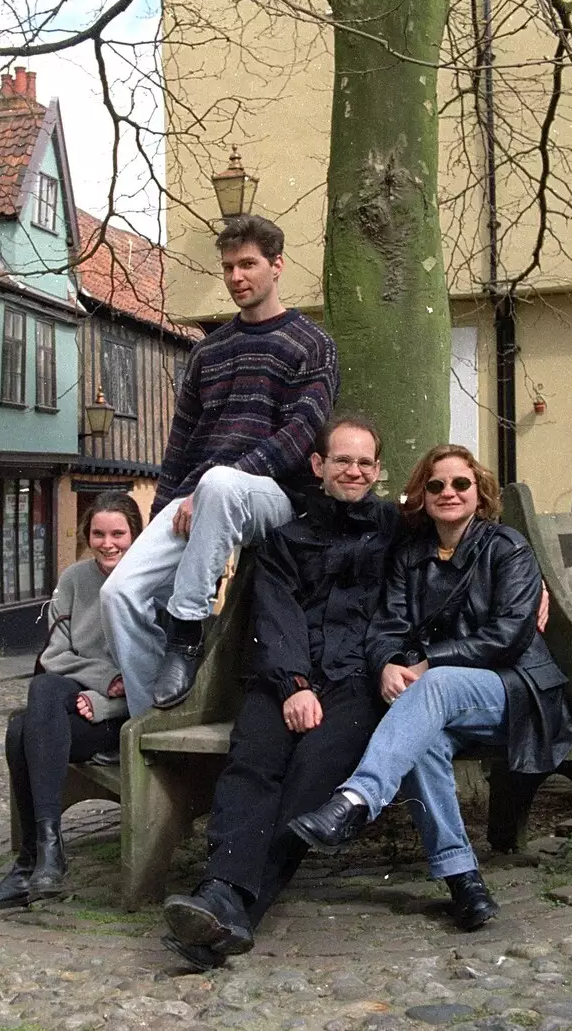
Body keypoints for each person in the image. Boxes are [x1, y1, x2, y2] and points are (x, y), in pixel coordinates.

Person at [288, 445, 572, 932]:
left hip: (516, 692)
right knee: (423, 745)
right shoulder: (411, 555)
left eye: (461, 484)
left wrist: (425, 664)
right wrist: (385, 665)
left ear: (479, 493)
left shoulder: (507, 548)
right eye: (436, 485)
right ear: (421, 495)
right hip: (438, 700)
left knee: (437, 685)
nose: (449, 493)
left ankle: (355, 800)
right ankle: (463, 880)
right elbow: (387, 627)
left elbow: (508, 637)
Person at [160, 413, 398, 971]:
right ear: (318, 466)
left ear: (378, 470)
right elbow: (277, 613)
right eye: (342, 460)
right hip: (283, 676)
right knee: (253, 763)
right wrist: (293, 685)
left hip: (356, 682)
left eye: (365, 462)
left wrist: (531, 581)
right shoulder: (284, 538)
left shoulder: (392, 526)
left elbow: (465, 532)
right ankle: (226, 895)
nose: (354, 471)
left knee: (312, 775)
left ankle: (228, 903)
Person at [102, 215, 339, 716]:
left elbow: (299, 437)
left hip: (275, 498)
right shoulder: (207, 352)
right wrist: (165, 512)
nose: (237, 277)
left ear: (277, 266)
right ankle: (151, 723)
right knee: (118, 594)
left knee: (219, 483)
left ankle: (185, 633)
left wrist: (210, 487)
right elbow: (180, 444)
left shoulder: (311, 344)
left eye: (248, 264)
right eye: (229, 267)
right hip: (201, 493)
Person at [0, 492, 143, 913]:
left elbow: (149, 680)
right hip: (77, 699)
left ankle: (32, 860)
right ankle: (46, 856)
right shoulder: (73, 580)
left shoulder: (148, 580)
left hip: (122, 719)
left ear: (135, 535)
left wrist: (104, 704)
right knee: (44, 689)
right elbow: (54, 658)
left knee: (19, 730)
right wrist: (104, 681)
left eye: (118, 533)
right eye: (98, 533)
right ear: (87, 535)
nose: (108, 543)